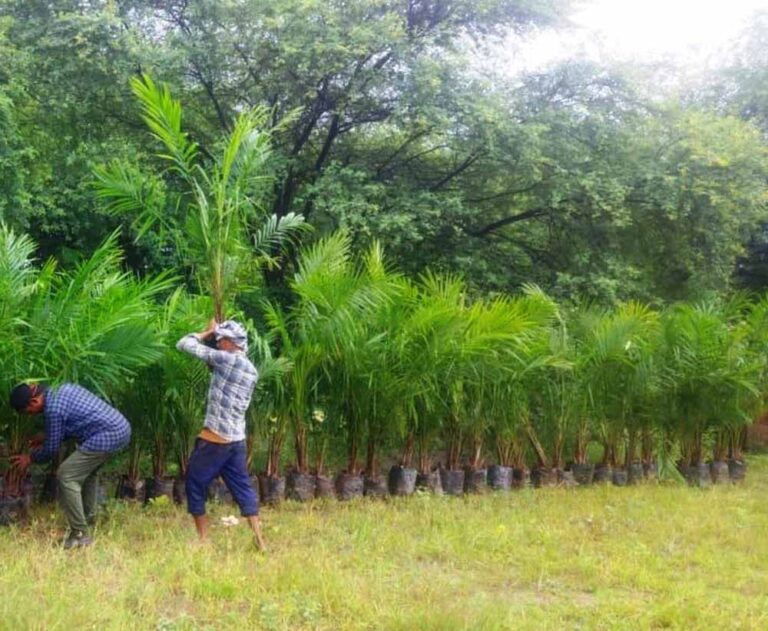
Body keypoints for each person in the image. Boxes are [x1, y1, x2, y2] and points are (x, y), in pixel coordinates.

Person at [177, 318, 266, 551]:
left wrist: (206, 332)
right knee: (242, 487)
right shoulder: (251, 370)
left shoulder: (226, 360)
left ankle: (203, 540)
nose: (217, 344)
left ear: (229, 343)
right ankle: (259, 539)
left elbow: (184, 344)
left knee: (195, 484)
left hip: (215, 438)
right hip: (237, 439)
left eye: (220, 341)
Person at [9, 382, 131, 549]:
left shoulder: (53, 409)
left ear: (34, 402)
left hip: (107, 434)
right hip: (119, 427)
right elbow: (75, 423)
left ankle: (80, 534)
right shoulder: (59, 388)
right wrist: (45, 436)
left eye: (27, 412)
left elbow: (52, 448)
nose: (30, 415)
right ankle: (87, 519)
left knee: (66, 475)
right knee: (87, 473)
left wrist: (30, 458)